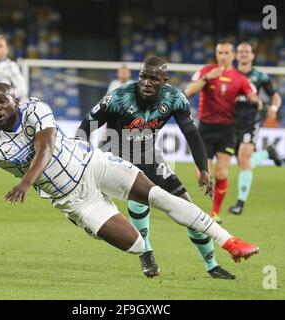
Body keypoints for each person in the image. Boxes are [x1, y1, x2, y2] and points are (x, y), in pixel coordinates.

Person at [0, 83, 259, 276]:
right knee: (135, 245)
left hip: (92, 163)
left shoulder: (35, 107)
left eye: (2, 100)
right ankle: (134, 243)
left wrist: (26, 182)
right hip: (75, 200)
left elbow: (45, 146)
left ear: (14, 101)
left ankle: (230, 242)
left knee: (159, 196)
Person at [77, 56, 236, 280]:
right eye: (143, 76)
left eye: (153, 78)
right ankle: (146, 253)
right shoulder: (119, 97)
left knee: (187, 206)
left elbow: (191, 134)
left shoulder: (175, 98)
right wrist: (80, 157)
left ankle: (212, 265)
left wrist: (203, 169)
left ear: (164, 80)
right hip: (117, 156)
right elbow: (86, 125)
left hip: (151, 156)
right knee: (139, 199)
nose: (147, 83)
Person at [184, 39, 261, 224]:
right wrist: (207, 78)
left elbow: (254, 96)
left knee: (222, 174)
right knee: (202, 173)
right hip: (205, 128)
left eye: (227, 53)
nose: (224, 56)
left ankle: (215, 213)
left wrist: (255, 100)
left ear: (233, 55)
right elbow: (188, 91)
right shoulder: (205, 71)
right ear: (216, 55)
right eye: (220, 53)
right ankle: (204, 201)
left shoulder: (240, 78)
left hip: (227, 129)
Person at [228, 42, 284, 215]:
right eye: (241, 51)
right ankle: (268, 153)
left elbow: (275, 96)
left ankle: (240, 204)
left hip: (251, 121)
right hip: (231, 122)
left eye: (247, 51)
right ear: (236, 55)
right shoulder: (229, 75)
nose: (244, 54)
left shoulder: (260, 76)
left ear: (252, 56)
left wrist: (273, 109)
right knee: (242, 161)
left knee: (243, 160)